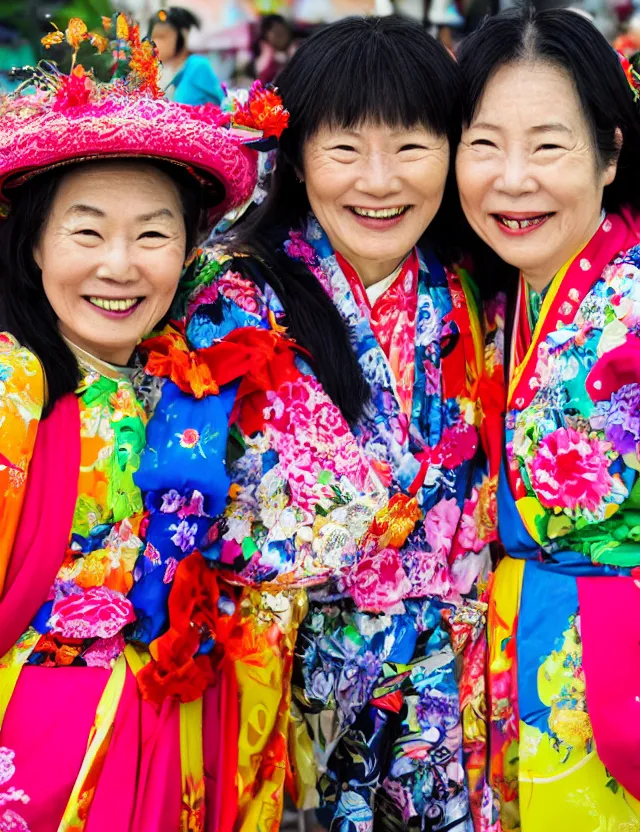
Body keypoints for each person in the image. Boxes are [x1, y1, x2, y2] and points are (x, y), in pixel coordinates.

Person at [138, 15, 498, 832]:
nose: (379, 181)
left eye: (411, 147)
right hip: (292, 680)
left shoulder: (469, 287)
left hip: (448, 684)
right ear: (296, 158)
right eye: (344, 150)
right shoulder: (233, 295)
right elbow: (187, 495)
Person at [0, 13, 260, 831]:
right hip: (33, 734)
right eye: (86, 231)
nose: (120, 266)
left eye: (153, 234)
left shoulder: (191, 383)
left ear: (188, 253)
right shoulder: (13, 388)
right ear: (33, 245)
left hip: (169, 730)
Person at [456, 8, 640, 830]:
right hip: (514, 660)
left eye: (549, 145)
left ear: (609, 154)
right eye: (484, 143)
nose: (513, 177)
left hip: (614, 662)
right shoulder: (496, 294)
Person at [149, 7, 225, 106]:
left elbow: (223, 108)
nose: (155, 43)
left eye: (162, 37)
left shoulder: (198, 66)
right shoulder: (164, 73)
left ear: (183, 34)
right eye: (153, 37)